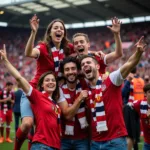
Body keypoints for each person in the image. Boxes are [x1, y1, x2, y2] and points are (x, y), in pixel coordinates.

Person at [15, 14, 74, 150]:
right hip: (34, 91)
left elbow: (82, 49)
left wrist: (96, 53)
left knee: (45, 126)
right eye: (56, 28)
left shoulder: (67, 48)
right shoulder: (43, 47)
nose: (59, 30)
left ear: (64, 33)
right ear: (50, 32)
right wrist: (33, 32)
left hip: (52, 94)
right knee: (27, 124)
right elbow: (28, 52)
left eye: (61, 28)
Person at [79, 36, 147, 150]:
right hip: (95, 143)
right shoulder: (85, 92)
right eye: (82, 64)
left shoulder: (111, 80)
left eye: (88, 62)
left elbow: (129, 64)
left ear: (97, 66)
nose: (85, 65)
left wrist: (138, 53)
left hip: (115, 141)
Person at [0, 44, 61, 150]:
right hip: (42, 146)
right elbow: (19, 78)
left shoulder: (56, 104)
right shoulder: (37, 96)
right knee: (27, 123)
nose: (50, 82)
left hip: (55, 147)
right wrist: (6, 61)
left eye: (53, 80)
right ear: (42, 85)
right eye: (47, 80)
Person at [58, 57, 89, 150]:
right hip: (64, 139)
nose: (70, 72)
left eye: (73, 68)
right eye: (67, 69)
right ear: (63, 73)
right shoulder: (59, 90)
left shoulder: (85, 83)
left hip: (83, 138)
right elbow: (67, 115)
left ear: (78, 70)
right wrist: (80, 98)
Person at [132, 83, 150, 150]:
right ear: (145, 94)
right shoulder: (140, 104)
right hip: (147, 143)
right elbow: (129, 106)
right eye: (149, 92)